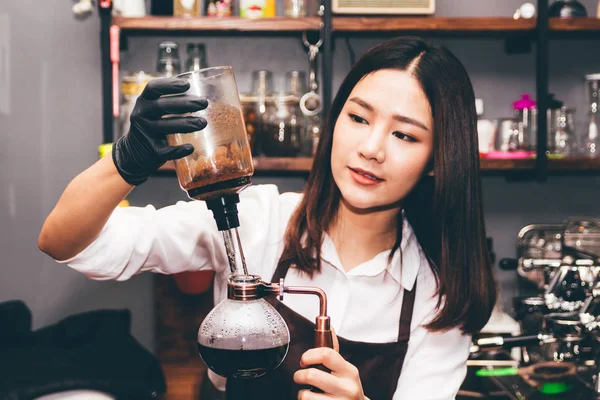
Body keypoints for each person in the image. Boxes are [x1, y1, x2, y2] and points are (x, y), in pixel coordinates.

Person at [38, 36, 496, 399]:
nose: (371, 148)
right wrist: (128, 158)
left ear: (438, 158)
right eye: (358, 118)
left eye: (404, 134)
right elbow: (66, 242)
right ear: (334, 121)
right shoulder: (254, 220)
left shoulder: (442, 294)